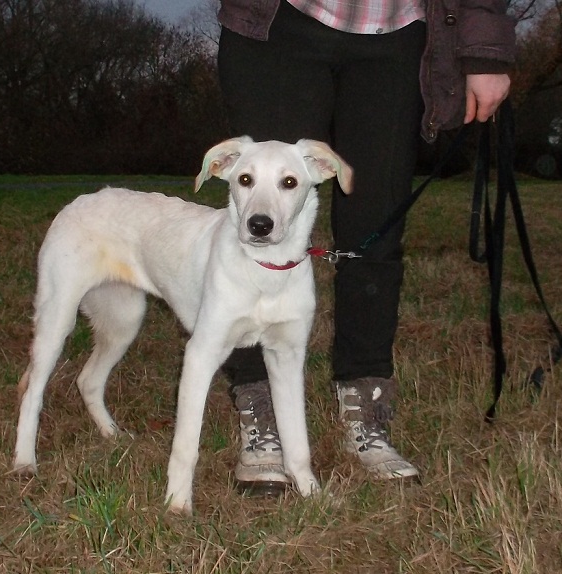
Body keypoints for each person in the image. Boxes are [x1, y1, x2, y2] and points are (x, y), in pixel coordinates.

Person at [216, 0, 515, 494]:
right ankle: (261, 409)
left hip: (397, 34)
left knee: (376, 231)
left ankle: (366, 402)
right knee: (261, 228)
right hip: (280, 24)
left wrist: (485, 50)